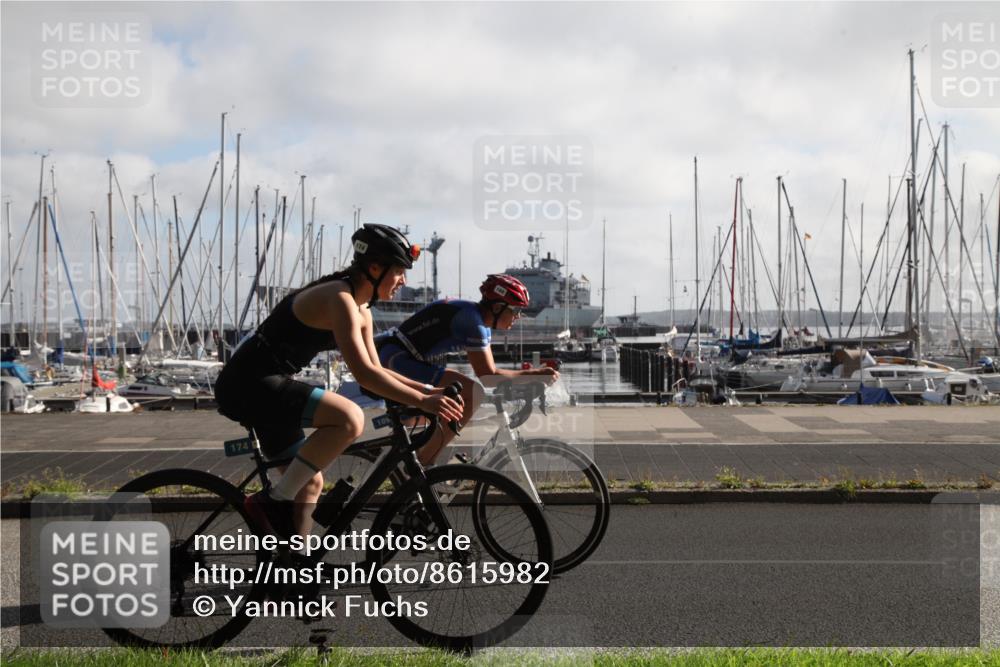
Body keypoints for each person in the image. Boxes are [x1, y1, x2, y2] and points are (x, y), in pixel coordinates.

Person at [214, 224, 464, 539]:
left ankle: (293, 567)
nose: (404, 280)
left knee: (310, 484)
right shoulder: (340, 298)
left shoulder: (362, 310)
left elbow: (378, 370)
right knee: (349, 418)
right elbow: (364, 375)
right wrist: (425, 401)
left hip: (267, 385)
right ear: (375, 268)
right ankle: (271, 502)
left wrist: (430, 392)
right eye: (399, 271)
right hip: (248, 383)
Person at [376, 274, 558, 466]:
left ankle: (407, 455)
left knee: (447, 409)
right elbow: (488, 376)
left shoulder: (479, 321)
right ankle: (425, 464)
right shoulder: (473, 322)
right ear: (497, 307)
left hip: (400, 356)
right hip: (398, 359)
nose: (518, 316)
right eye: (515, 310)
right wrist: (534, 375)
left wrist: (531, 377)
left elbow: (491, 372)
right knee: (473, 392)